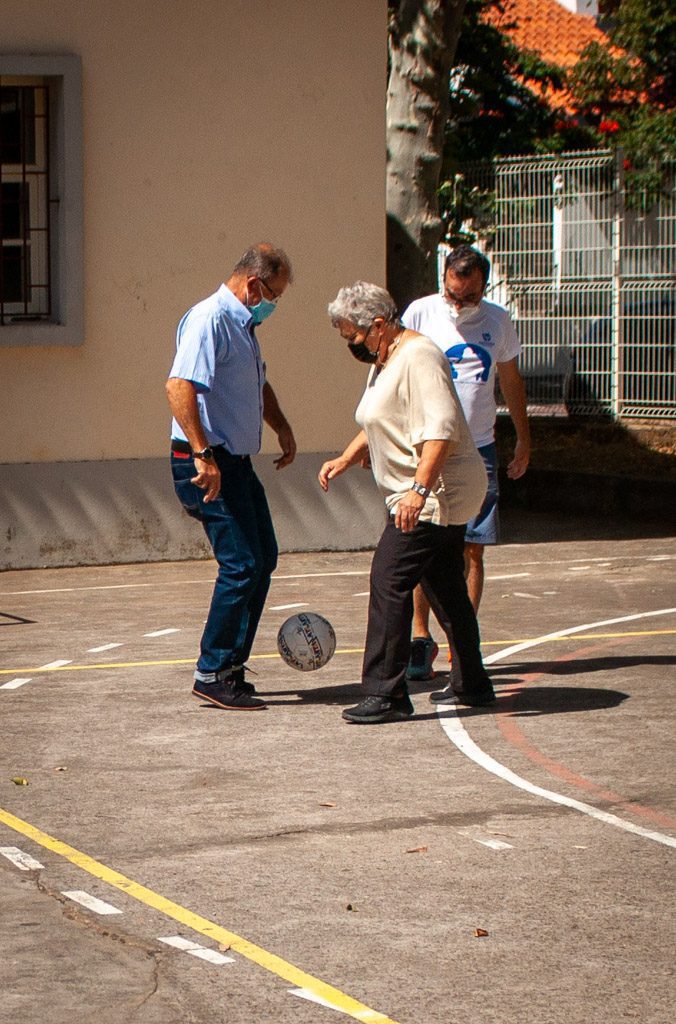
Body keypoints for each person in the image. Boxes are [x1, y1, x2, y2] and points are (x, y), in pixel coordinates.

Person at [319, 282, 495, 724]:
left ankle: (387, 693)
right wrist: (347, 455)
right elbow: (381, 416)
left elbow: (441, 429)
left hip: (438, 492)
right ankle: (472, 682)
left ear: (377, 325)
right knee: (445, 586)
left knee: (389, 579)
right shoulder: (387, 357)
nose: (350, 344)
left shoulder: (420, 356)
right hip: (422, 491)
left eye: (351, 336)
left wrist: (418, 492)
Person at [166, 243, 296, 711]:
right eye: (273, 295)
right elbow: (179, 386)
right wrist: (202, 454)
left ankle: (230, 668)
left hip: (235, 462)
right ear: (253, 284)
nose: (273, 305)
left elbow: (257, 382)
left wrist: (280, 426)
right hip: (207, 462)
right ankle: (211, 670)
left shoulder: (243, 325)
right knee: (241, 564)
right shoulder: (209, 319)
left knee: (263, 559)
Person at [401, 245, 530, 692]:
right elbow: (396, 369)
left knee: (472, 549)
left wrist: (524, 441)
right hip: (430, 449)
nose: (458, 305)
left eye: (468, 297)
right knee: (422, 546)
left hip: (480, 450)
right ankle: (421, 640)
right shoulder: (420, 313)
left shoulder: (497, 321)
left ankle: (463, 643)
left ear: (483, 287)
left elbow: (511, 381)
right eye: (452, 295)